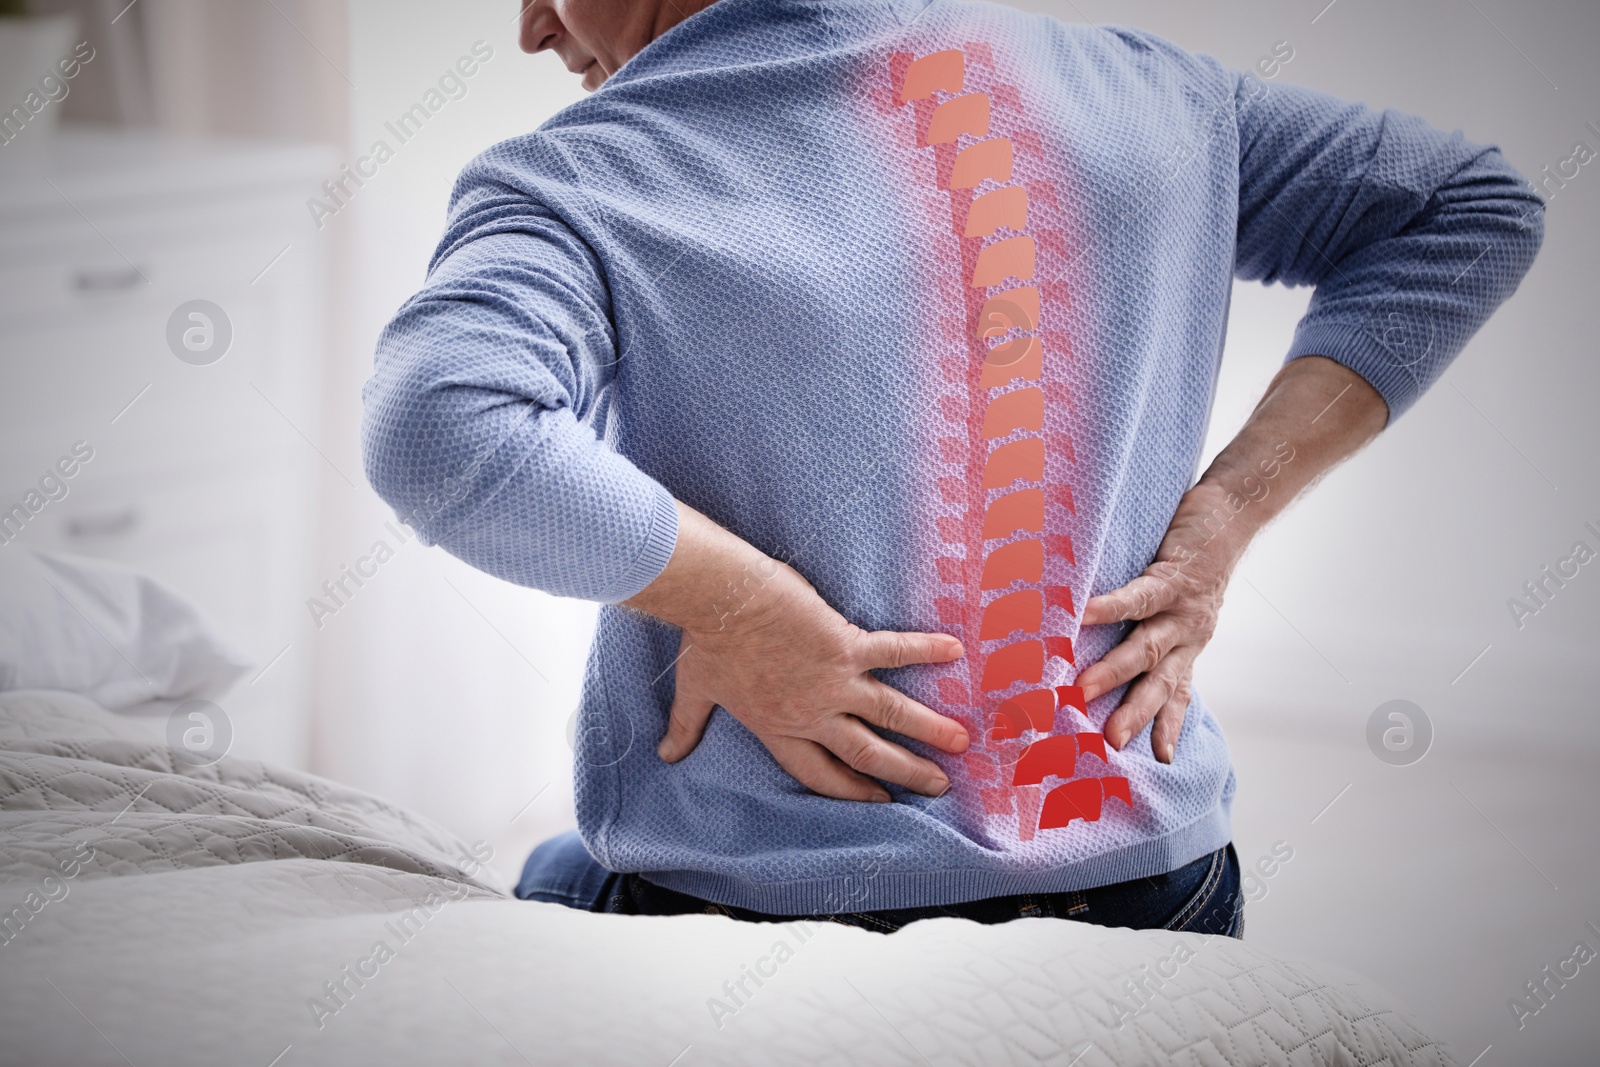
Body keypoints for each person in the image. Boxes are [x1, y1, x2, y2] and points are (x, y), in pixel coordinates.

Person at [361, 0, 1542, 936]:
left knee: (549, 890)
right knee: (554, 868)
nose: (530, 26)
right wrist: (1224, 515)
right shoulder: (1150, 93)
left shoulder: (581, 177)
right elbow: (1468, 204)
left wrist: (742, 606)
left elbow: (437, 425)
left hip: (767, 910)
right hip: (1154, 885)